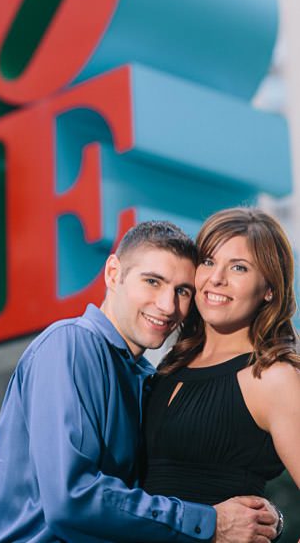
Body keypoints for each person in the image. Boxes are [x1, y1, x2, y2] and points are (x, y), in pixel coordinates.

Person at [0, 220, 279, 542]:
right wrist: (209, 523)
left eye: (182, 291)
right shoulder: (71, 345)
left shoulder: (149, 379)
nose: (167, 306)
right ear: (112, 273)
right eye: (152, 281)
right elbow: (71, 498)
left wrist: (262, 521)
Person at [144, 208, 298, 537]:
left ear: (269, 288)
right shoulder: (171, 364)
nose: (217, 278)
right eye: (209, 261)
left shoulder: (272, 377)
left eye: (239, 268)